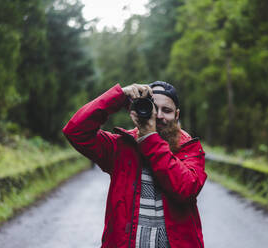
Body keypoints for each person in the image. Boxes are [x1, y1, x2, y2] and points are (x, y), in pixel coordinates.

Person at [62, 81, 207, 248]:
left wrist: (150, 138)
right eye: (153, 108)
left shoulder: (190, 149)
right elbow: (75, 131)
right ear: (139, 109)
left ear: (177, 115)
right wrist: (118, 97)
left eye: (166, 110)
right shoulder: (122, 146)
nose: (158, 116)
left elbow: (186, 189)